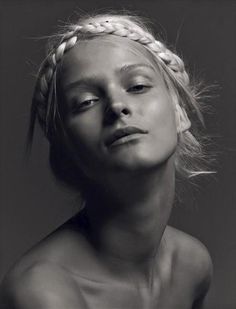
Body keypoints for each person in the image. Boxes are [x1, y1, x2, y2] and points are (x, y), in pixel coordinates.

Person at [0, 12, 213, 309]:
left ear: (180, 114)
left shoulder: (192, 265)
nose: (116, 105)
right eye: (86, 102)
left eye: (137, 86)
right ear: (64, 153)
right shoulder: (42, 294)